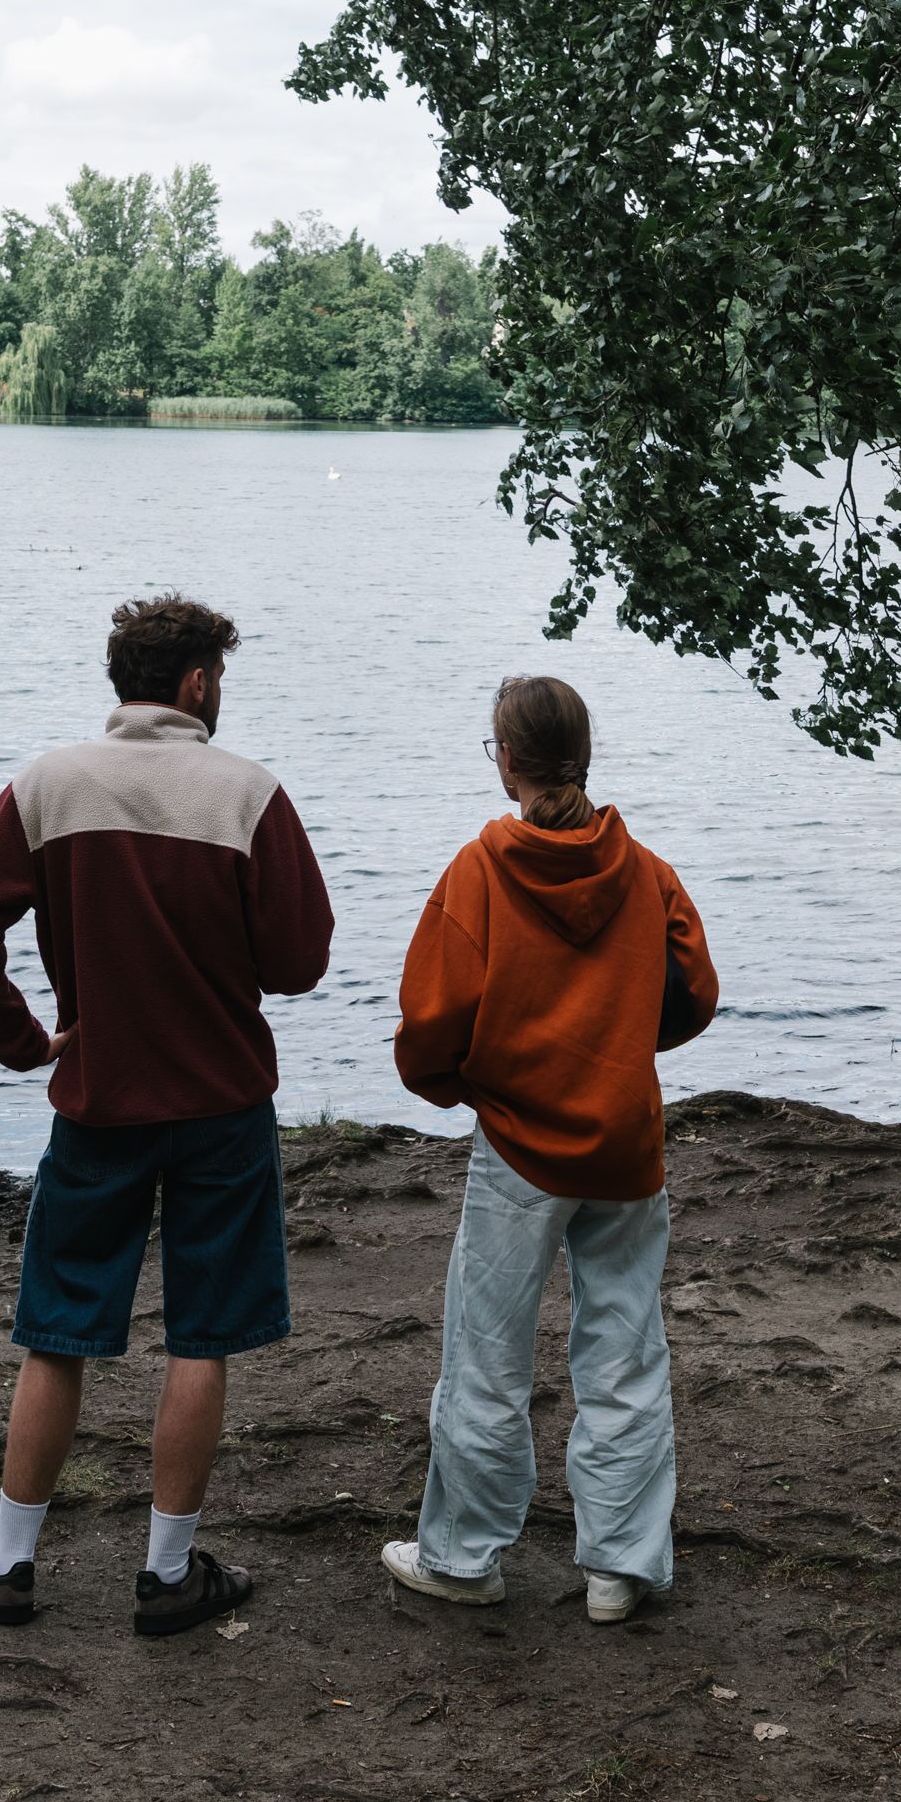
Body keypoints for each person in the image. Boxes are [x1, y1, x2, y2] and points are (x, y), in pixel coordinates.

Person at [0, 593, 333, 1636]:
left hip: (98, 1098)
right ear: (197, 682)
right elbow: (297, 963)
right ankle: (166, 1573)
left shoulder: (48, 784)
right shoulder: (249, 795)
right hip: (222, 1104)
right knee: (201, 1333)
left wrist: (23, 1040)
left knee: (56, 1329)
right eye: (220, 679)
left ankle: (10, 1562)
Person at [379, 674, 718, 1625]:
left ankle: (462, 1557)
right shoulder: (644, 870)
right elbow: (692, 993)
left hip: (519, 1151)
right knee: (624, 1354)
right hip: (624, 1144)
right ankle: (621, 1566)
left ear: (508, 761)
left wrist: (469, 1089)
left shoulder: (479, 871)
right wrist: (617, 1047)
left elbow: (427, 1024)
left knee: (488, 1360)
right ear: (582, 755)